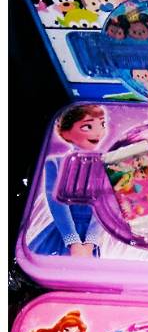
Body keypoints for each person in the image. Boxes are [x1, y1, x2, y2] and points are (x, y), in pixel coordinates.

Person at [28, 104, 107, 257]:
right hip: (63, 231)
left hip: (90, 237)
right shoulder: (55, 163)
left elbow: (105, 206)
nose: (98, 132)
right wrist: (72, 241)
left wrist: (91, 242)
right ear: (66, 133)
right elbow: (56, 204)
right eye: (87, 126)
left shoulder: (106, 164)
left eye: (102, 124)